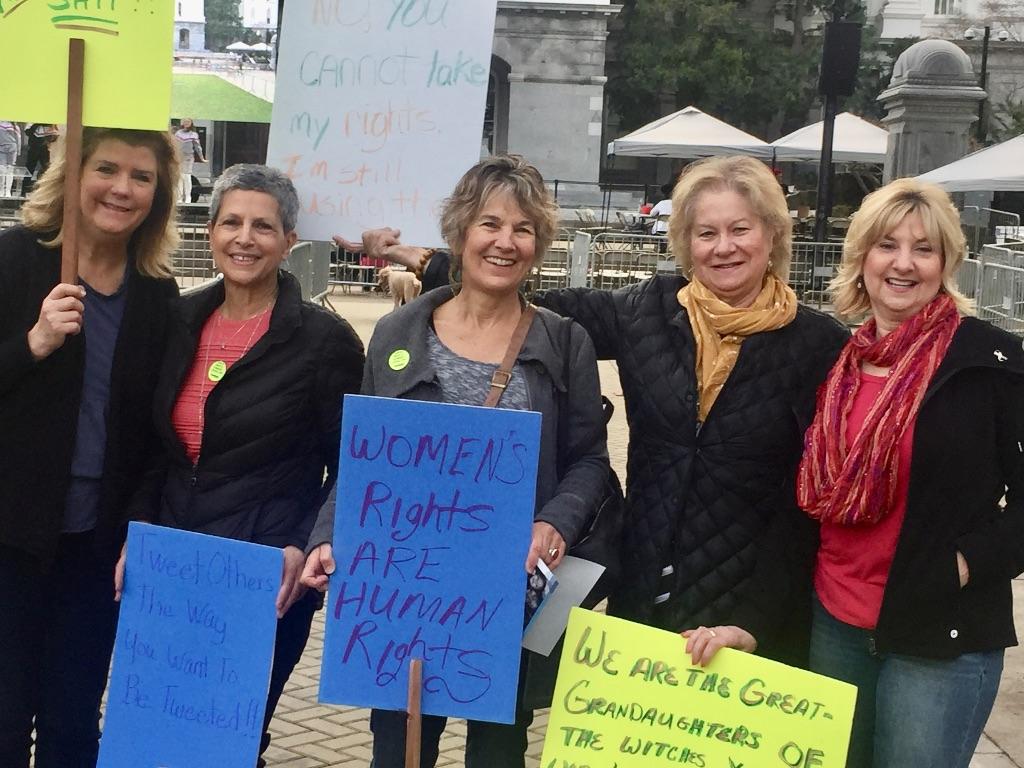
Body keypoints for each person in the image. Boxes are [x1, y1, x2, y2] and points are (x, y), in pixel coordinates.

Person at [350, 157, 849, 666]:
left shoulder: (821, 345)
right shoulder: (648, 310)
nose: (724, 247)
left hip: (753, 603)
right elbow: (517, 296)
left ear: (772, 233)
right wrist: (413, 255)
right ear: (685, 242)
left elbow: (811, 501)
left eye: (740, 229)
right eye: (706, 233)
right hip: (646, 588)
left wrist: (755, 619)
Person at [304, 154, 610, 768]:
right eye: (490, 224)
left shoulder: (564, 339)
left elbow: (591, 461)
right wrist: (328, 536)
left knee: (498, 750)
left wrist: (555, 524)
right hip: (405, 588)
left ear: (538, 243)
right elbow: (363, 460)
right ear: (459, 233)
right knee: (397, 748)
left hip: (510, 592)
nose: (505, 242)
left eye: (523, 229)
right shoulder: (396, 334)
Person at [119, 164, 365, 767]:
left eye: (263, 226)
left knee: (229, 739)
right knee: (160, 730)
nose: (245, 238)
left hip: (265, 571)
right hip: (174, 564)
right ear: (210, 231)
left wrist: (299, 542)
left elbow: (349, 469)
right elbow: (154, 448)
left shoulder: (323, 341)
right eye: (231, 221)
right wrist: (138, 530)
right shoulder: (178, 321)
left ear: (288, 240)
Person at [796, 178, 1024, 768]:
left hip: (936, 629)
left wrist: (965, 563)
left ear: (946, 261)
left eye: (923, 249)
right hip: (835, 620)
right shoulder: (836, 363)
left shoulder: (987, 363)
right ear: (861, 257)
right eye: (886, 245)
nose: (903, 264)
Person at [0, 127, 180, 768]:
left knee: (73, 727)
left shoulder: (157, 295)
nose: (122, 189)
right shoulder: (15, 259)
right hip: (11, 537)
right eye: (107, 168)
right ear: (72, 174)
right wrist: (33, 343)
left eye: (142, 176)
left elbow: (158, 432)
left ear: (159, 195)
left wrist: (137, 524)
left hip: (97, 548)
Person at [173, 117, 205, 204]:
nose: (186, 123)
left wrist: (202, 158)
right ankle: (179, 198)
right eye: (185, 122)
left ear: (191, 123)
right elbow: (174, 146)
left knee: (186, 176)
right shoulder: (178, 133)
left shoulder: (193, 134)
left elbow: (198, 147)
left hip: (188, 158)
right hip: (179, 157)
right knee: (179, 177)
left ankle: (188, 197)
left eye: (188, 122)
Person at [0, 120, 22, 197]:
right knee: (2, 170)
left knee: (10, 170)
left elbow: (18, 139)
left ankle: (8, 190)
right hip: (1, 148)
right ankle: (1, 190)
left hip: (12, 149)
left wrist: (18, 150)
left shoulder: (15, 126)